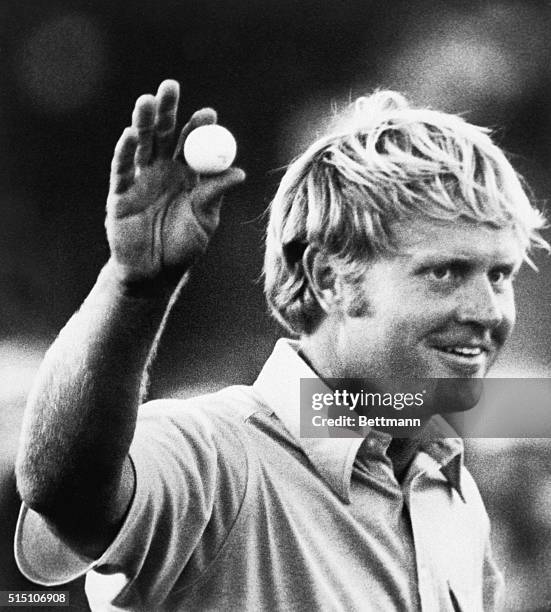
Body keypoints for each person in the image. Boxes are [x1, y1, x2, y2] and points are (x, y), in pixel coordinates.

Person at [14, 79, 547, 611]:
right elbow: (64, 494)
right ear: (330, 279)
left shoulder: (450, 493)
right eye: (445, 272)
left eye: (499, 275)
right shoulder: (217, 459)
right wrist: (132, 287)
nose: (488, 312)